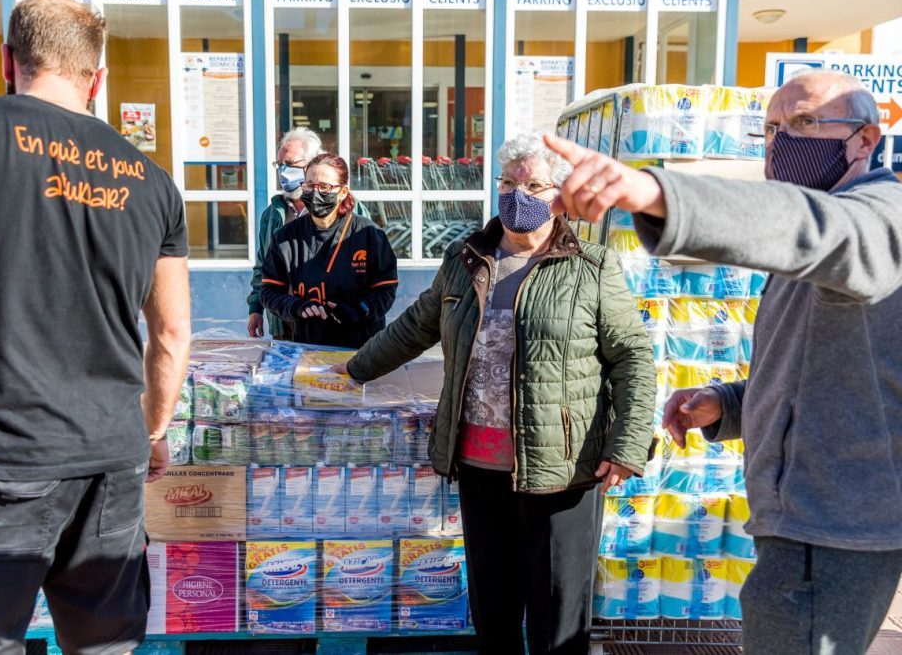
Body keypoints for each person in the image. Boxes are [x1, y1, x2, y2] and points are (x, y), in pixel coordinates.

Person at [543, 70, 902, 655]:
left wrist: (655, 193)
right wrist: (729, 405)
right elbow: (818, 367)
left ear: (865, 139)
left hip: (836, 526)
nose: (782, 141)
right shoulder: (818, 239)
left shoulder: (878, 218)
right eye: (772, 129)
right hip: (799, 517)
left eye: (806, 122)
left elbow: (807, 225)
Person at [0, 0, 190, 652]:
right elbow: (170, 334)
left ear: (6, 60)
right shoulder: (151, 180)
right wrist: (156, 428)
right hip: (111, 466)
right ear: (97, 78)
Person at [337, 133, 656, 654]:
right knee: (494, 610)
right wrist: (349, 371)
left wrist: (627, 444)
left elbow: (633, 358)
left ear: (559, 193)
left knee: (557, 615)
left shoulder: (591, 267)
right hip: (480, 467)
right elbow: (416, 326)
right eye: (508, 182)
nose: (517, 194)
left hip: (563, 470)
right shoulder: (467, 259)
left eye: (533, 184)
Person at [260, 153, 398, 349]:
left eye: (324, 187)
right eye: (309, 185)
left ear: (342, 192)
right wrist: (295, 306)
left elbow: (386, 289)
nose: (315, 193)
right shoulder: (285, 237)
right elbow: (269, 291)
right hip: (308, 347)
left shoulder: (368, 235)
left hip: (363, 349)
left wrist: (358, 310)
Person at [247, 128, 369, 340]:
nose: (284, 172)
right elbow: (262, 266)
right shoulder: (273, 215)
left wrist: (358, 309)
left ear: (313, 163)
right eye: (280, 165)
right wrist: (255, 307)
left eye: (291, 165)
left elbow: (373, 266)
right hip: (287, 323)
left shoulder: (350, 209)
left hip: (339, 325)